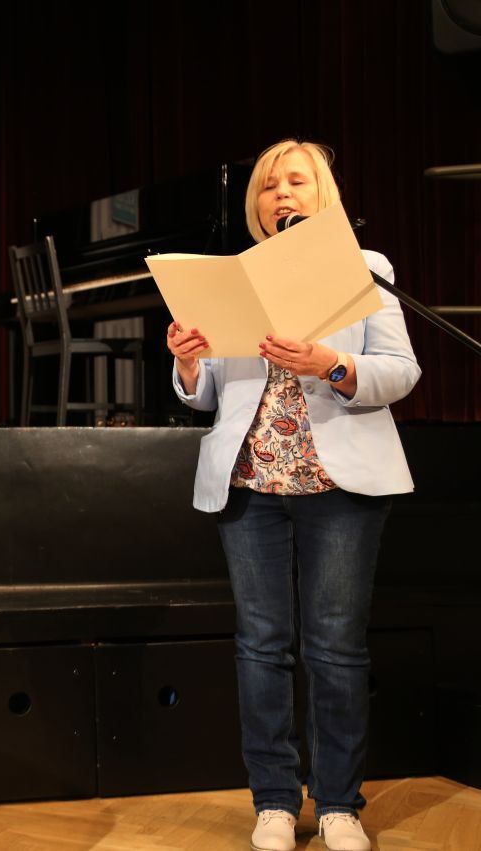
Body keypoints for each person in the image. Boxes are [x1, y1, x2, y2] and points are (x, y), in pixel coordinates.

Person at [166, 140, 420, 851]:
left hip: (338, 482)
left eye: (297, 181)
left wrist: (332, 363)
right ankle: (274, 801)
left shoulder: (366, 268)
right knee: (261, 646)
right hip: (252, 481)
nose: (281, 193)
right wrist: (189, 363)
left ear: (323, 194)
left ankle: (338, 803)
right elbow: (207, 394)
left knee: (335, 647)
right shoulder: (232, 277)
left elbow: (400, 370)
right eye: (269, 184)